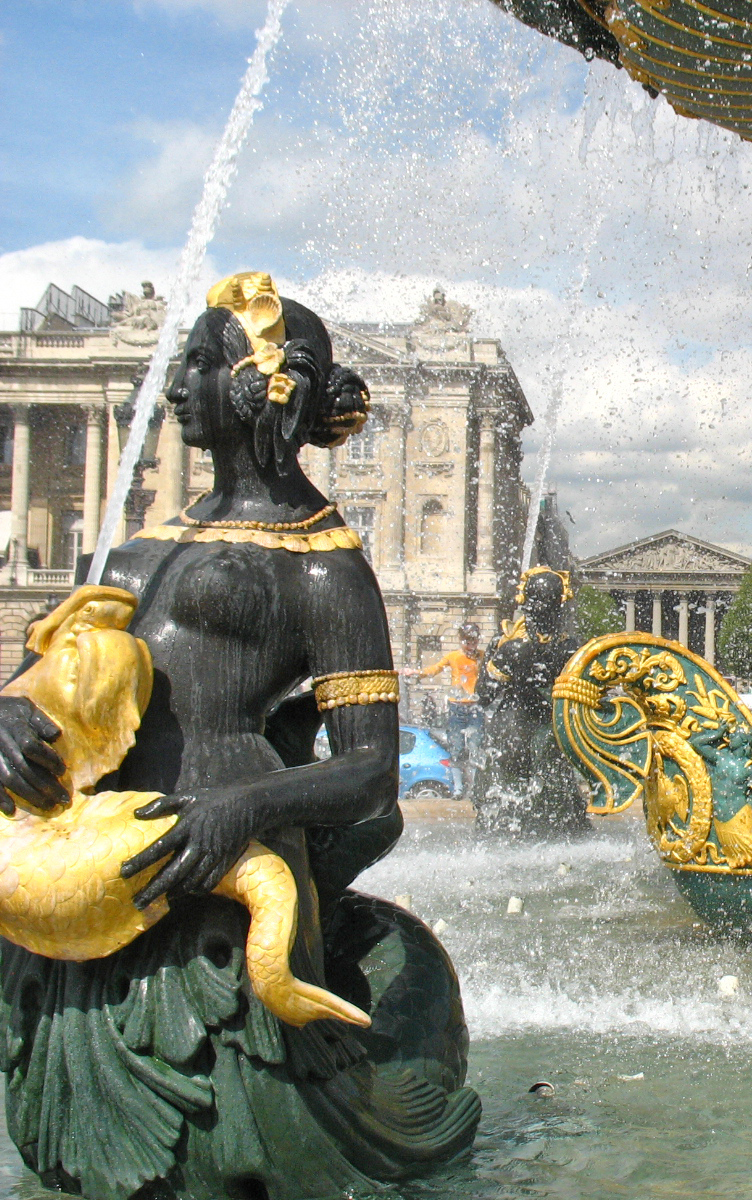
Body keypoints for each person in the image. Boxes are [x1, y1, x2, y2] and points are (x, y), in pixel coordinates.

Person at [0, 273, 478, 1199]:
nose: (175, 390)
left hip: (219, 862)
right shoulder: (148, 541)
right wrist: (12, 710)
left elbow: (373, 775)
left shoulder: (327, 565)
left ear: (261, 387)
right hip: (101, 851)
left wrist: (244, 806)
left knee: (224, 1147)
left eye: (195, 367)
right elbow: (65, 677)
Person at [470, 567, 591, 837]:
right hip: (512, 733)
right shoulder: (506, 642)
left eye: (549, 607)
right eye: (538, 605)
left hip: (549, 735)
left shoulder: (569, 647)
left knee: (558, 796)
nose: (543, 614)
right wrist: (501, 663)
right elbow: (484, 694)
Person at [410, 624, 482, 774]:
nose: (470, 645)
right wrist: (418, 673)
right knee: (456, 746)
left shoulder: (482, 656)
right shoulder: (453, 656)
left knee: (475, 745)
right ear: (461, 640)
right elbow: (435, 669)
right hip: (456, 706)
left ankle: (475, 785)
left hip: (475, 706)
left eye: (473, 641)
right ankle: (458, 788)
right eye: (467, 641)